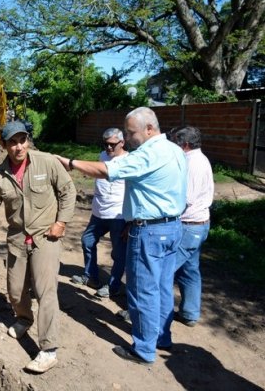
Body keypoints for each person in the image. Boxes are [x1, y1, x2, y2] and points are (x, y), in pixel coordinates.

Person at [56, 107, 187, 365]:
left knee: (142, 290)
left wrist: (70, 163)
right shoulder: (174, 149)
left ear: (149, 129)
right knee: (161, 287)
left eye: (131, 132)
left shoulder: (148, 153)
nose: (128, 138)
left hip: (150, 232)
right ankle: (161, 337)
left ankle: (144, 349)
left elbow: (107, 170)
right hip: (172, 227)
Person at [0, 120, 76, 374]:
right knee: (15, 289)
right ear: (4, 145)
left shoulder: (46, 162)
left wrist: (61, 222)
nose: (18, 146)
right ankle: (24, 318)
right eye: (12, 142)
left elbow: (68, 190)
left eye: (22, 140)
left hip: (46, 236)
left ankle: (48, 350)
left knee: (46, 291)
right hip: (17, 239)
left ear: (27, 141)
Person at [71, 128, 128, 298]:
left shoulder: (129, 161)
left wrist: (131, 221)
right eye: (105, 144)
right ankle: (91, 277)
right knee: (87, 240)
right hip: (99, 212)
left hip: (119, 215)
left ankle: (113, 286)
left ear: (122, 143)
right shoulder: (102, 155)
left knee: (118, 253)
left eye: (112, 144)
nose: (109, 148)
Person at [170, 126, 214, 327]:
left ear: (185, 144)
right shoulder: (197, 159)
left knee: (164, 270)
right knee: (189, 270)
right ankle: (189, 313)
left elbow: (185, 198)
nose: (172, 145)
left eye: (175, 142)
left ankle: (151, 313)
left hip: (189, 226)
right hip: (197, 225)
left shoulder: (193, 163)